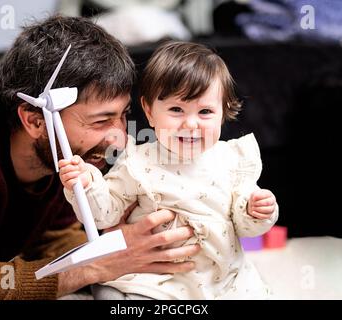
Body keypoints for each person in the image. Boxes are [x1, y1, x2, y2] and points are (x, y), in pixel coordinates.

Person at [0, 16, 200, 300]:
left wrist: (117, 245)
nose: (120, 138)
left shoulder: (60, 156)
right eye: (101, 121)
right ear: (35, 121)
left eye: (123, 115)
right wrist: (92, 268)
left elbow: (53, 237)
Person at [59, 41, 279, 299]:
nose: (190, 123)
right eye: (176, 109)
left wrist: (256, 211)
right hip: (155, 282)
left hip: (222, 279)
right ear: (150, 112)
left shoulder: (232, 160)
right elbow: (103, 216)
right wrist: (88, 184)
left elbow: (246, 226)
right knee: (112, 296)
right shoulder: (137, 162)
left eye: (205, 111)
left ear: (223, 112)